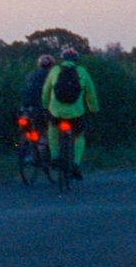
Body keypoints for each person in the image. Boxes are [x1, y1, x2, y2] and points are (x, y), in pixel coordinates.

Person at [43, 46, 100, 179]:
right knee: (79, 136)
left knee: (52, 130)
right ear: (76, 60)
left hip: (56, 111)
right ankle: (76, 163)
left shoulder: (55, 70)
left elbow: (46, 90)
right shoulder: (82, 72)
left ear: (62, 59)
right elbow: (90, 94)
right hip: (76, 113)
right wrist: (94, 110)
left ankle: (55, 157)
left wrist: (45, 106)